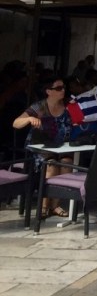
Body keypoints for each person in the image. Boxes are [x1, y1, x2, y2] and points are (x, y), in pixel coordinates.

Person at [12, 76, 74, 218]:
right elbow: (16, 123)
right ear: (48, 91)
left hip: (61, 147)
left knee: (67, 163)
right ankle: (44, 205)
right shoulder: (39, 107)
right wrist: (28, 119)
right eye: (58, 88)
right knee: (51, 165)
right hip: (40, 148)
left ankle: (55, 205)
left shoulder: (68, 107)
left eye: (63, 87)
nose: (63, 90)